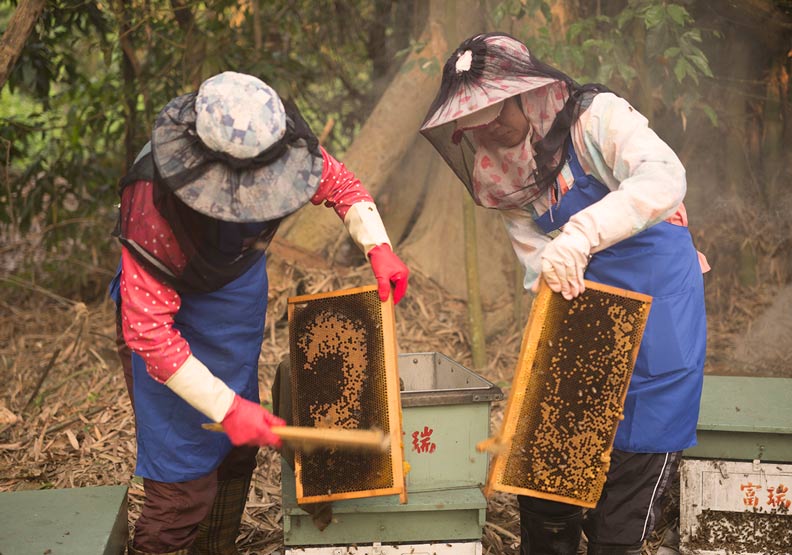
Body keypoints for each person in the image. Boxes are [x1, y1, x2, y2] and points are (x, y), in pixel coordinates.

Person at [420, 33, 708, 555]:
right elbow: (539, 264)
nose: (487, 132)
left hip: (659, 313)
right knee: (544, 490)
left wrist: (580, 236)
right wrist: (554, 277)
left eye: (493, 115)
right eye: (474, 125)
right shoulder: (501, 172)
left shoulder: (596, 117)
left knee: (619, 517)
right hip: (581, 320)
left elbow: (664, 177)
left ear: (523, 91)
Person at [109, 71, 409, 555]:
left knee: (236, 455)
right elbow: (149, 334)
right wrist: (227, 408)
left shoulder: (281, 145)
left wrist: (378, 246)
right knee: (183, 487)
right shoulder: (153, 200)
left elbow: (339, 184)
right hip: (169, 324)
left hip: (235, 304)